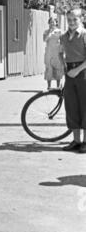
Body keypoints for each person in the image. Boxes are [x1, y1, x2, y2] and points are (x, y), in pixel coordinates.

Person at [59, 8, 86, 153]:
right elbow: (60, 52)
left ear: (81, 18)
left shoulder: (84, 35)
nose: (71, 22)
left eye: (75, 19)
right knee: (71, 106)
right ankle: (76, 140)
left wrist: (76, 70)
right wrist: (64, 66)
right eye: (69, 19)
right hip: (69, 72)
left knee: (84, 106)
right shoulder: (64, 36)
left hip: (83, 72)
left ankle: (85, 142)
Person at [43, 15, 64, 90]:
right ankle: (49, 86)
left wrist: (62, 51)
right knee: (49, 68)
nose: (52, 23)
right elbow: (44, 40)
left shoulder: (60, 31)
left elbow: (62, 42)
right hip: (49, 52)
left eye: (53, 22)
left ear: (56, 23)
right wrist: (49, 32)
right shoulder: (46, 31)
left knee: (57, 68)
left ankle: (58, 86)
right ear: (49, 23)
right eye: (50, 22)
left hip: (57, 52)